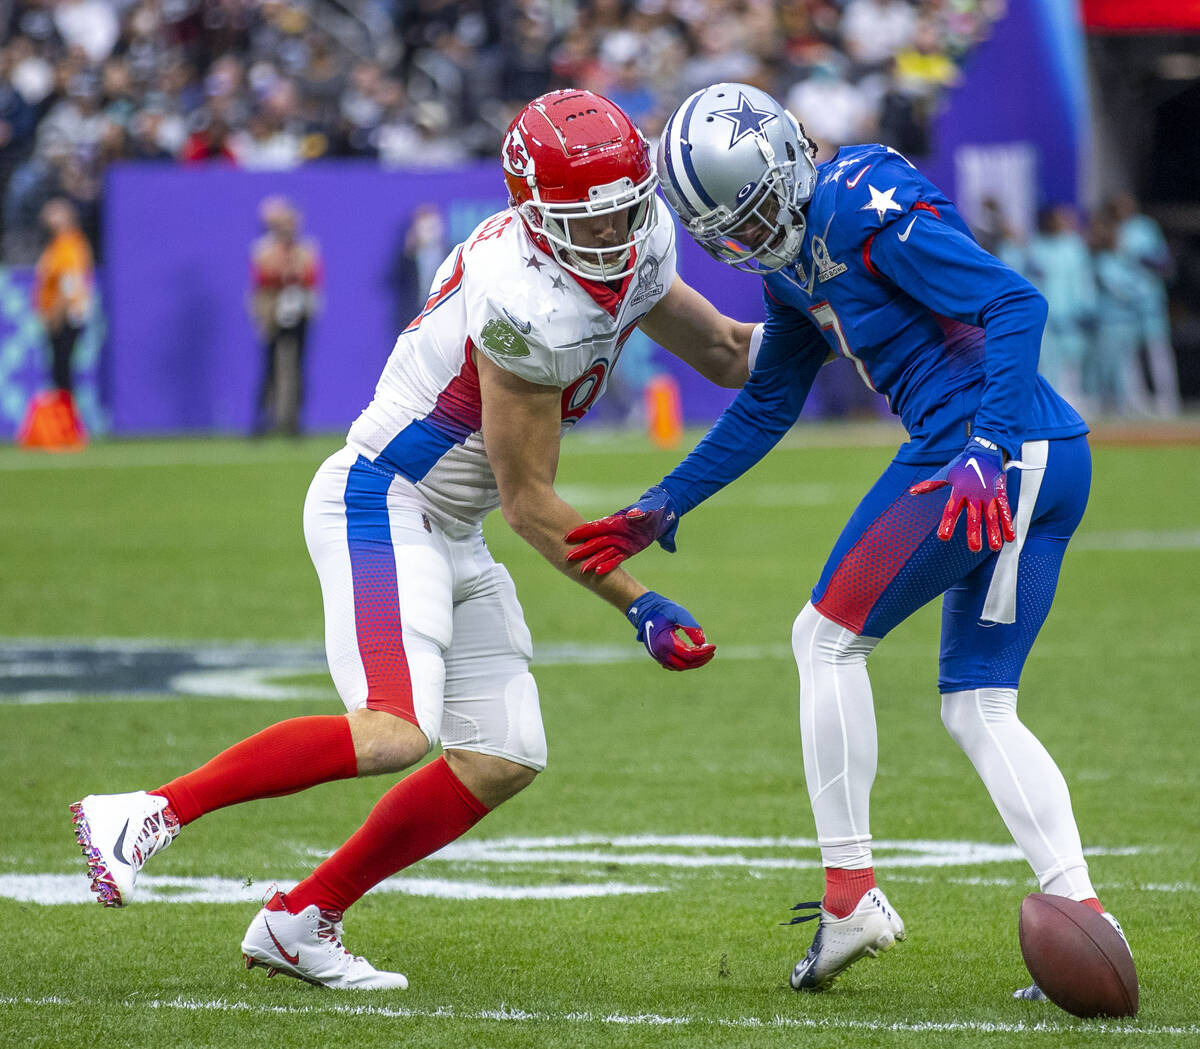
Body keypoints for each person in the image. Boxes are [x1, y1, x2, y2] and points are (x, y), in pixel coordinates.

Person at [69, 89, 753, 991]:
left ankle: (302, 919)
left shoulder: (633, 237)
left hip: (446, 520)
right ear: (531, 215)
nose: (615, 235)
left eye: (627, 208)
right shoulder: (522, 303)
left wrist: (846, 328)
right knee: (397, 730)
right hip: (383, 501)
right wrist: (641, 602)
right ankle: (148, 812)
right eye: (591, 219)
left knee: (503, 753)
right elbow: (532, 503)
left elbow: (727, 352)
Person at [565, 83, 1132, 999]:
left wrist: (985, 444)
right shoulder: (792, 253)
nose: (750, 242)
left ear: (789, 164)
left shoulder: (862, 204)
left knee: (823, 639)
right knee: (978, 703)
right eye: (728, 233)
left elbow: (1017, 305)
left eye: (752, 217)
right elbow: (769, 399)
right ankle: (1085, 914)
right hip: (1042, 451)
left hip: (984, 447)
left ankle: (851, 894)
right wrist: (670, 499)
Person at [248, 196, 322, 436]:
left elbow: (311, 279)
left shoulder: (307, 248)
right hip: (273, 312)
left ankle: (294, 421)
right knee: (270, 367)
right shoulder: (265, 249)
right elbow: (263, 279)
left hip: (299, 312)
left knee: (297, 367)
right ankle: (263, 419)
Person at [33, 197, 94, 398]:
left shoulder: (68, 244)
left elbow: (68, 286)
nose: (47, 216)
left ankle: (65, 419)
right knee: (59, 369)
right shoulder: (58, 244)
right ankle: (63, 416)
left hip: (66, 315)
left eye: (54, 212)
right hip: (60, 314)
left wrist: (56, 316)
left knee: (62, 368)